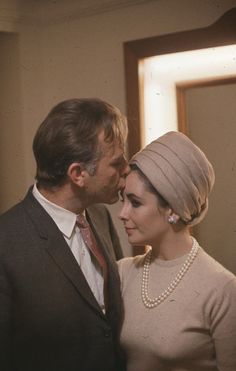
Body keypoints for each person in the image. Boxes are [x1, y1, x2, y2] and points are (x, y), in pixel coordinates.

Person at [0, 98, 130, 371]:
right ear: (78, 174)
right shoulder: (5, 243)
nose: (126, 169)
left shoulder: (100, 216)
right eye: (117, 163)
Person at [118, 131, 236, 371]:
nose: (123, 213)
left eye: (135, 203)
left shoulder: (222, 289)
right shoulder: (123, 272)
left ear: (173, 209)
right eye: (123, 200)